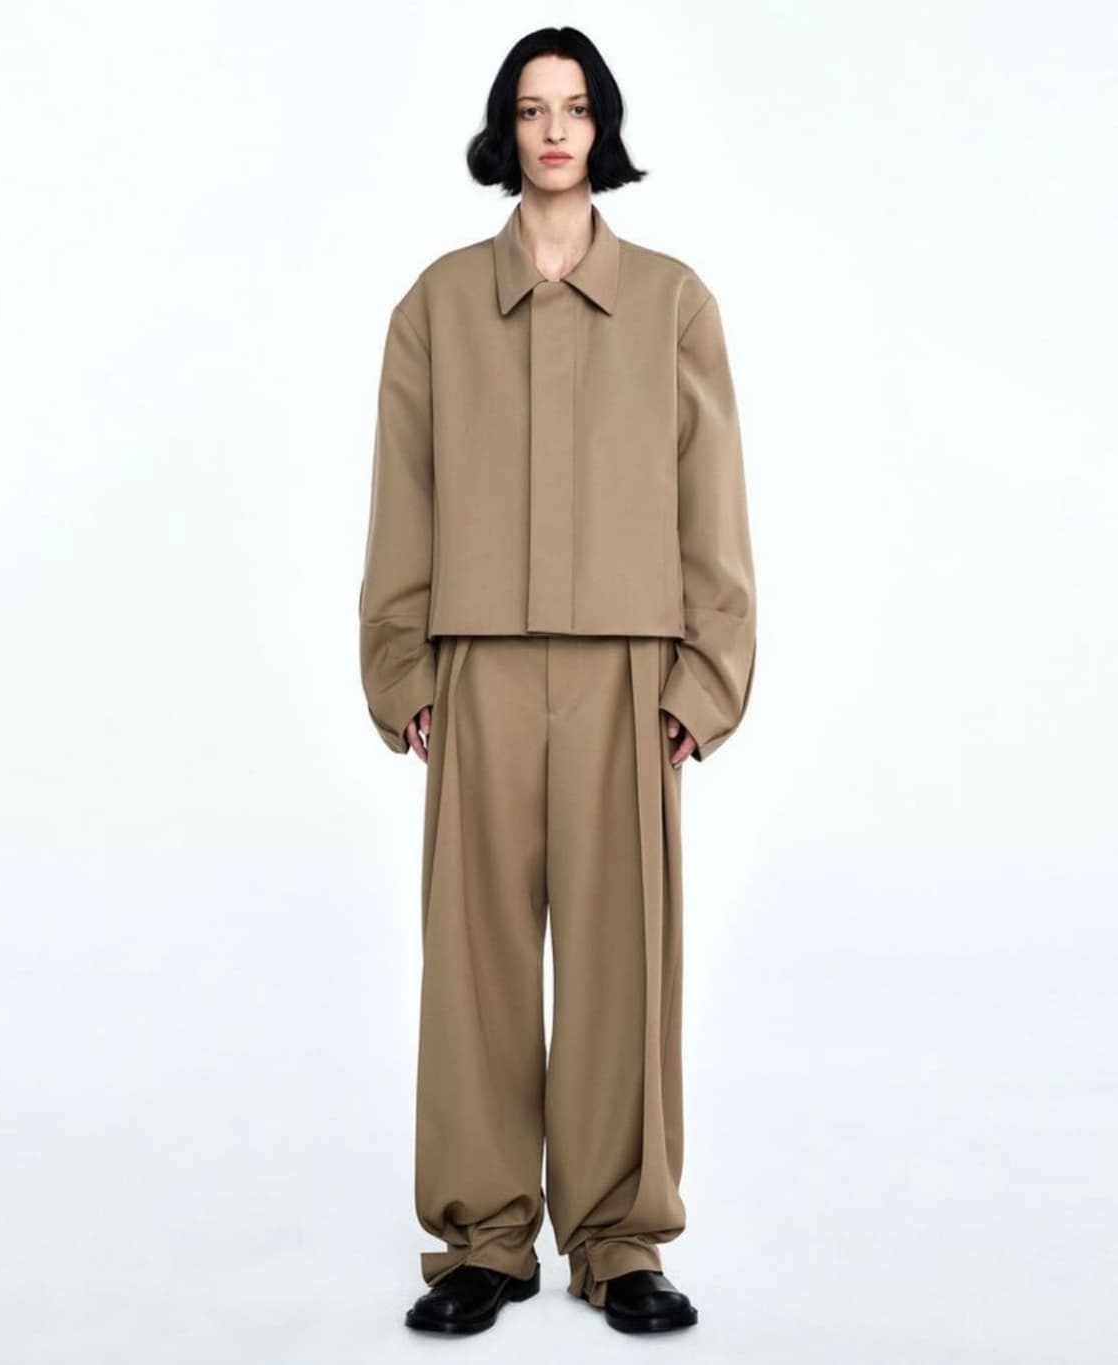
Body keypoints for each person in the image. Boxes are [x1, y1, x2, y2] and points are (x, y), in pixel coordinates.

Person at [357, 25, 757, 1337]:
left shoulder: (673, 303)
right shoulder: (434, 306)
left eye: (574, 108)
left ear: (602, 128)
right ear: (504, 128)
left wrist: (704, 679)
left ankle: (619, 1240)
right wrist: (401, 664)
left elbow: (712, 504)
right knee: (472, 967)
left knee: (620, 968)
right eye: (530, 109)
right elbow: (403, 500)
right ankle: (484, 1240)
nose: (552, 131)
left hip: (627, 677)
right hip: (473, 669)